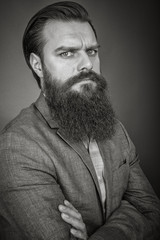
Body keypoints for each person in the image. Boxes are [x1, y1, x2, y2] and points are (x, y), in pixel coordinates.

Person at [0, 1, 160, 239]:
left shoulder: (115, 129)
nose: (87, 64)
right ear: (38, 65)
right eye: (67, 53)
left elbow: (150, 209)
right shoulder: (17, 147)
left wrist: (103, 235)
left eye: (92, 51)